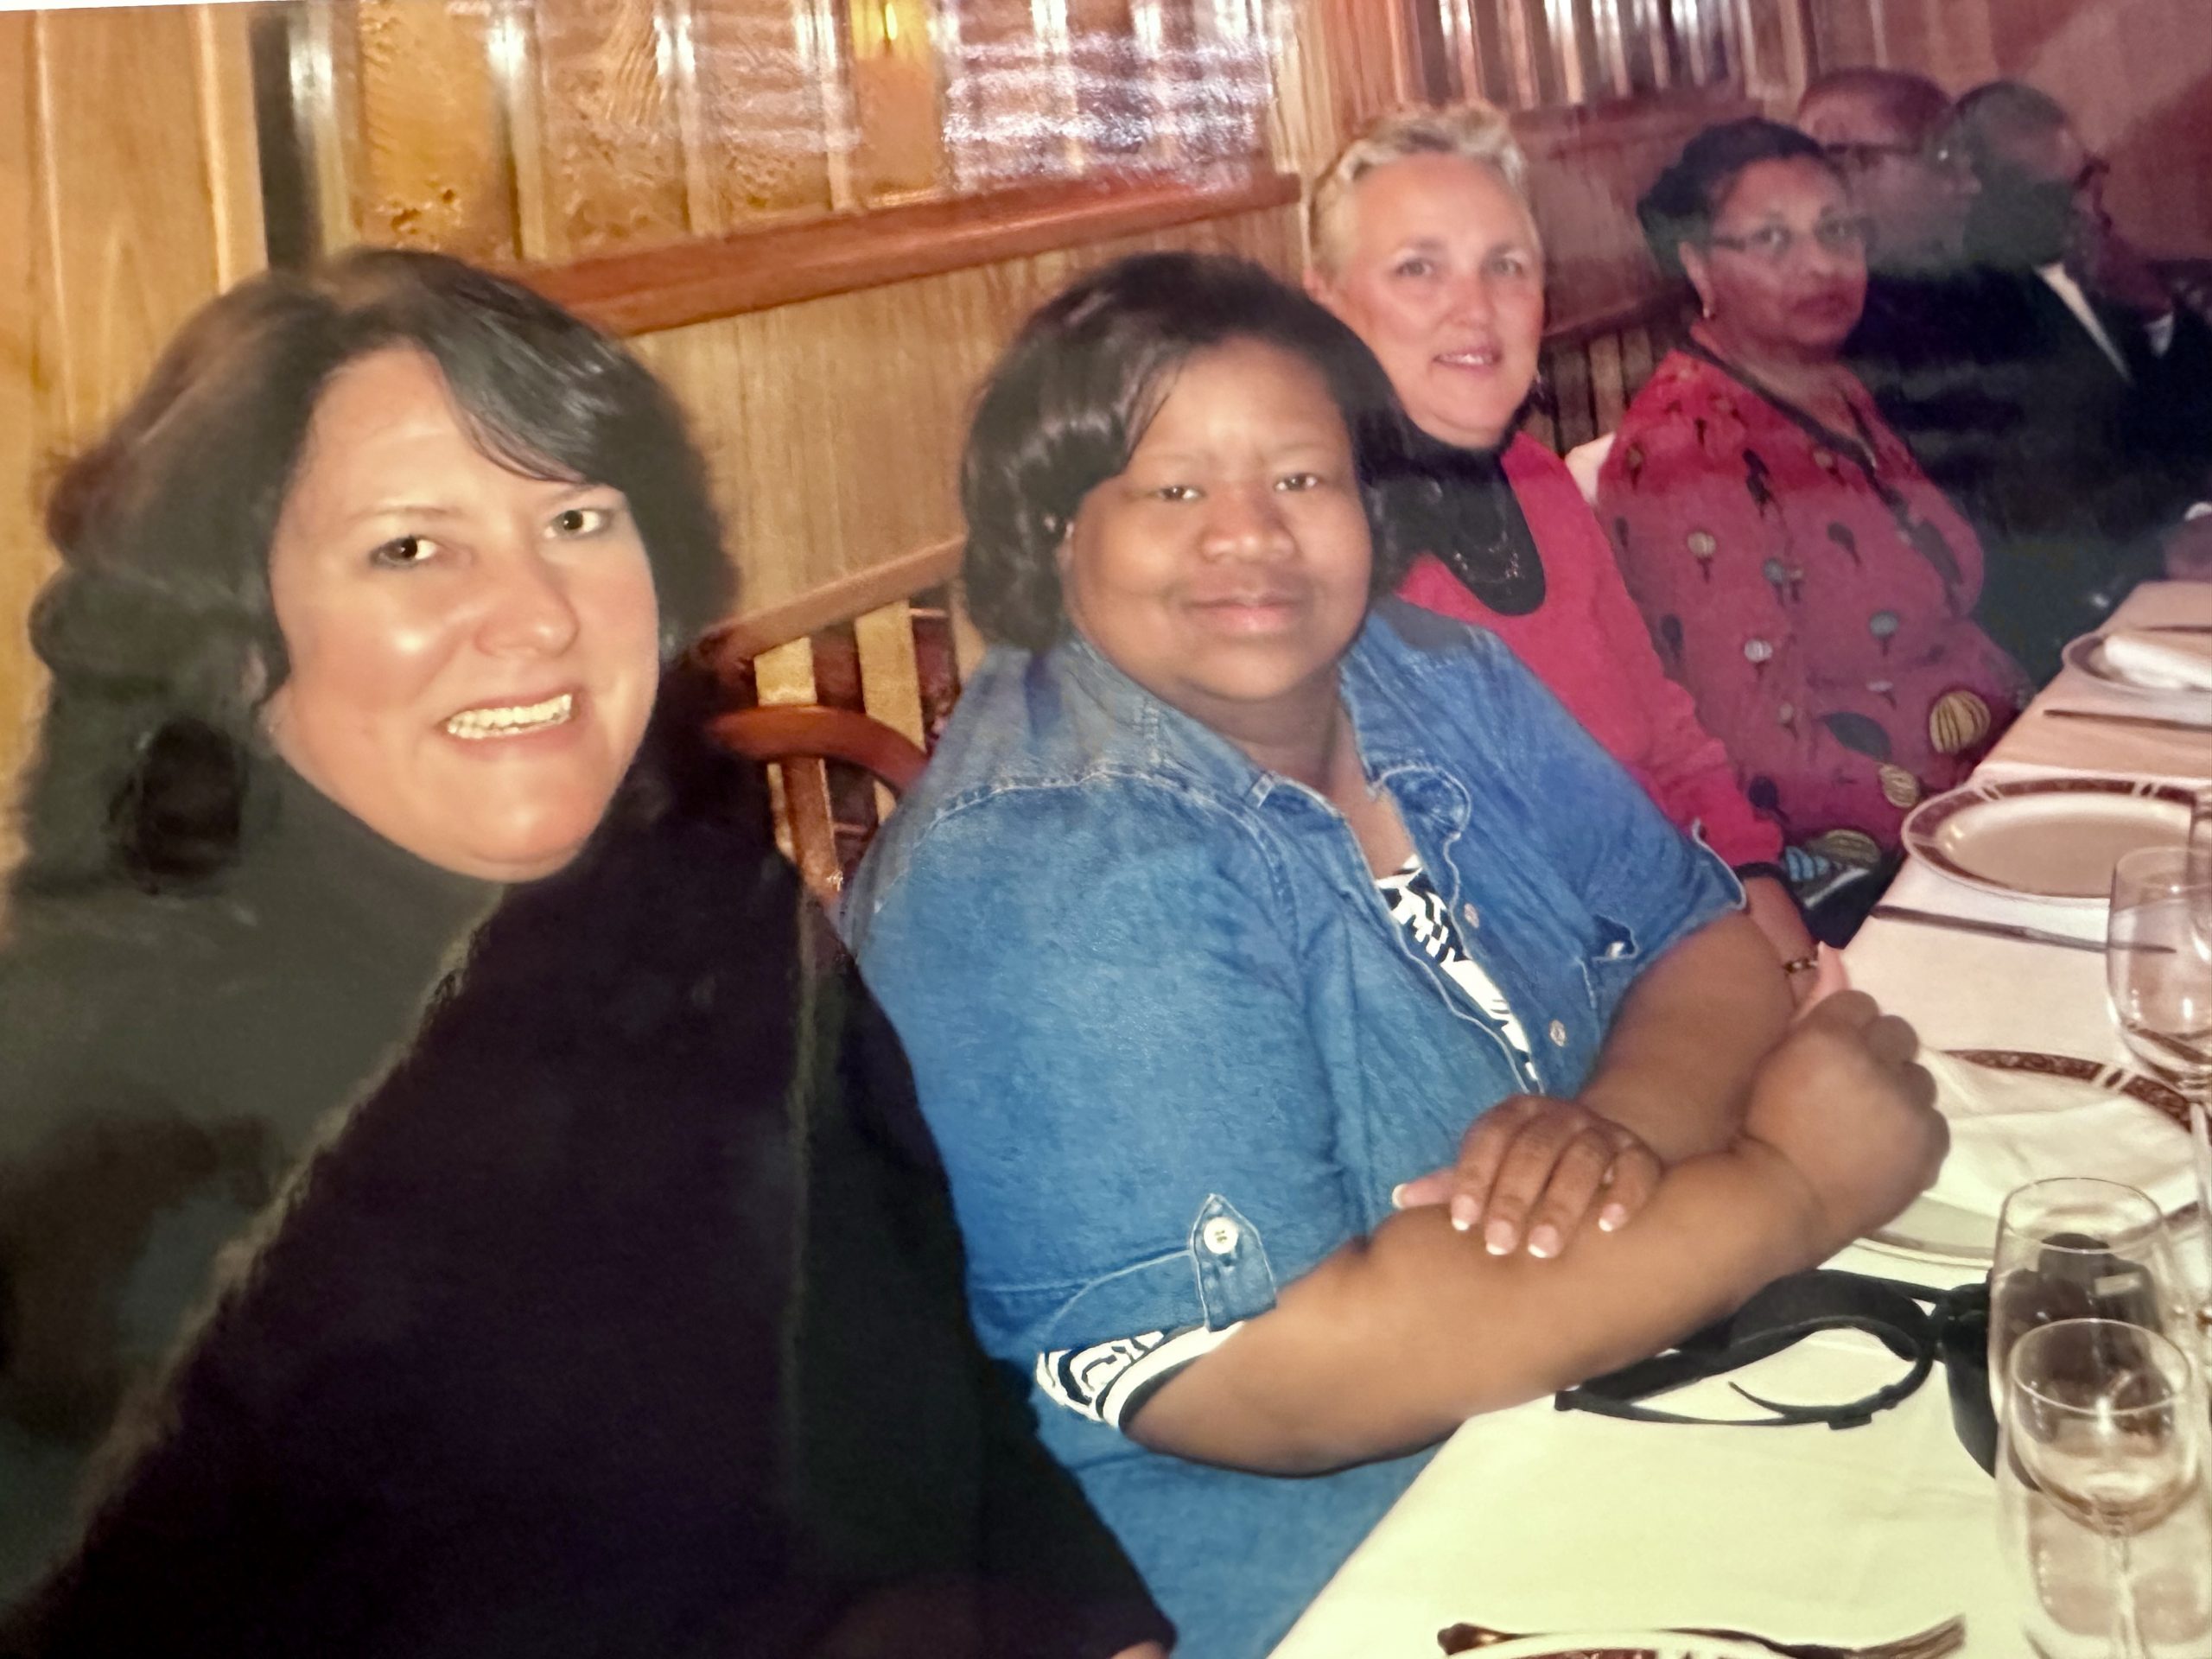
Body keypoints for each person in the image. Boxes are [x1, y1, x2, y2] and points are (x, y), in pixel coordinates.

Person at [0, 249, 1168, 1658]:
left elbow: (957, 1397)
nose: (540, 614)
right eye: (411, 549)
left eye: (576, 519)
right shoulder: (92, 1102)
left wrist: (1101, 1635)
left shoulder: (712, 912)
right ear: (234, 637)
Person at [844, 250, 1948, 1658]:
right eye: (1173, 491)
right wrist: (1793, 1187)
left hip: (1595, 1410)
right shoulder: (1052, 862)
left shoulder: (1434, 675)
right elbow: (1277, 1379)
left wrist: (1613, 1127)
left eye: (1300, 478)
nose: (1249, 535)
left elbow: (1703, 938)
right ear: (1058, 532)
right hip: (1331, 1581)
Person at [1302, 102, 1817, 968]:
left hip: (1694, 927)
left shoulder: (1537, 480)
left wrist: (1779, 939)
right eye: (1418, 269)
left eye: (1505, 266)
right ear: (1328, 304)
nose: (1475, 309)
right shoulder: (1322, 552)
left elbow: (1672, 742)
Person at [1596, 119, 2027, 887]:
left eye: (1837, 230)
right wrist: (1985, 827)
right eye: (1772, 241)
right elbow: (1769, 759)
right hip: (1858, 861)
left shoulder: (1830, 385)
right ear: (1698, 265)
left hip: (1988, 779)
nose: (1821, 264)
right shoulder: (1688, 452)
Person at [1897, 80, 2212, 678]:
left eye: (2089, 178)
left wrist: (2157, 312)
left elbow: (2187, 418)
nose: (2090, 210)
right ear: (1977, 193)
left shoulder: (2108, 277)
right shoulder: (1968, 318)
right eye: (2056, 196)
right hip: (2098, 608)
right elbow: (2041, 504)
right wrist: (2178, 533)